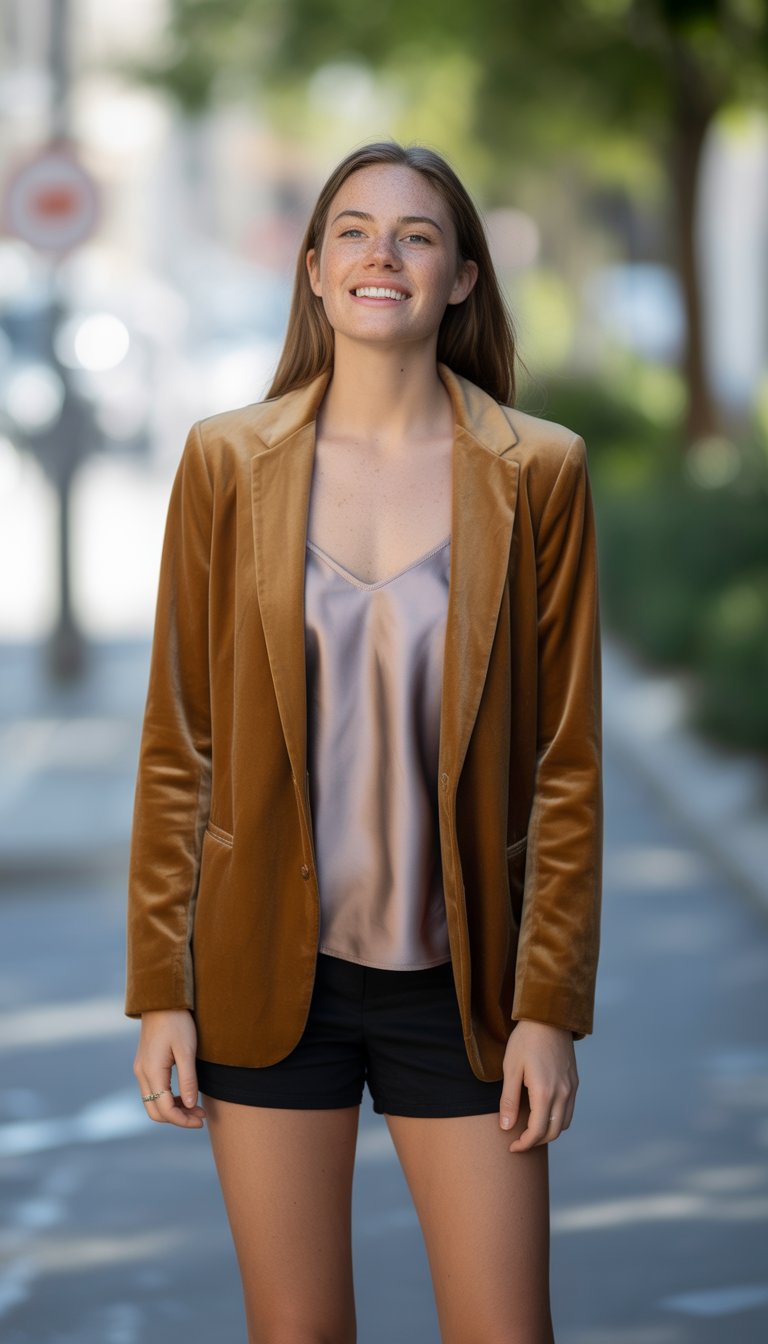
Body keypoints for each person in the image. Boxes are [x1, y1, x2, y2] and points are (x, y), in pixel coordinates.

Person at [126, 140, 603, 1344]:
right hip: (262, 971)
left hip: (466, 987)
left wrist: (549, 1007)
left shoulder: (539, 471)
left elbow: (565, 765)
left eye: (417, 234)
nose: (381, 253)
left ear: (462, 279)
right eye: (352, 229)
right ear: (313, 269)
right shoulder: (226, 462)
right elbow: (180, 741)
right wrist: (162, 990)